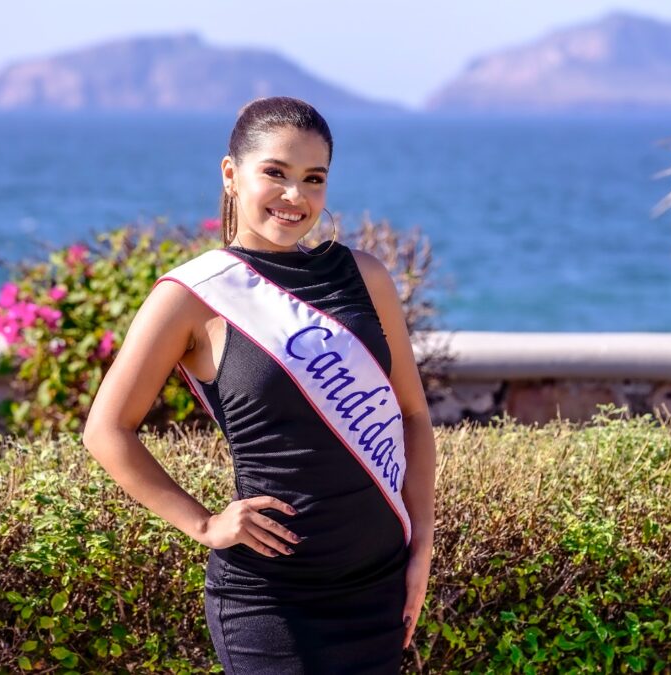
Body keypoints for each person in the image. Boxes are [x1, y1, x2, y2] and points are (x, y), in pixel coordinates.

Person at [82, 96, 436, 674]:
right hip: (272, 604)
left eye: (313, 179)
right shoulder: (192, 296)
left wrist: (420, 548)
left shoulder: (365, 276)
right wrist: (203, 523)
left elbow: (413, 416)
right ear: (231, 174)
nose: (295, 196)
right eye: (275, 172)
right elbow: (107, 429)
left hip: (377, 588)